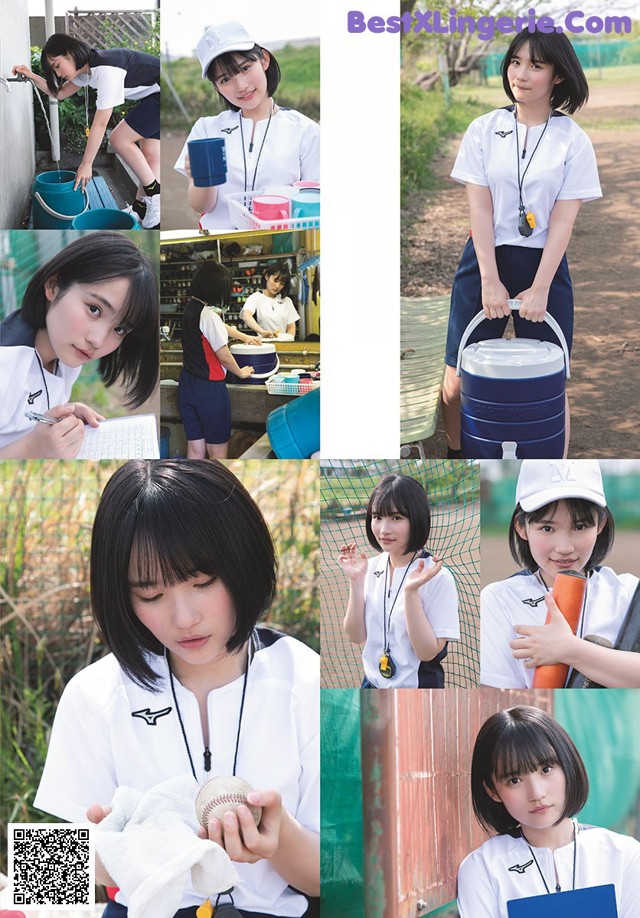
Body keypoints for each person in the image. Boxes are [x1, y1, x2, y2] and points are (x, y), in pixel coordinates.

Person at [33, 459, 320, 918]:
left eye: (202, 582)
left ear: (243, 563)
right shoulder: (94, 693)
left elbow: (341, 877)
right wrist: (113, 857)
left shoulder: (307, 680)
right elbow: (47, 879)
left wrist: (279, 836)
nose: (183, 618)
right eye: (150, 595)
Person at [440, 30, 601, 458]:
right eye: (515, 62)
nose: (521, 74)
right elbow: (479, 211)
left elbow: (564, 221)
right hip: (484, 260)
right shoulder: (484, 129)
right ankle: (458, 454)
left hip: (544, 267)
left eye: (535, 65)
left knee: (550, 382)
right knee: (455, 382)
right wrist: (490, 280)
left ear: (558, 76)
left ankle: (553, 464)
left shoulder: (573, 140)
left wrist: (542, 286)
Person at [457, 705, 640, 917]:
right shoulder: (483, 868)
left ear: (567, 765)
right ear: (492, 791)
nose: (536, 793)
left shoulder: (623, 855)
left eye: (546, 769)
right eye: (514, 780)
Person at [481, 459, 640, 688]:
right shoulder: (499, 598)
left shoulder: (628, 591)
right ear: (521, 526)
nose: (564, 547)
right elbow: (496, 692)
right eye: (547, 528)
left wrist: (570, 650)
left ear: (601, 524)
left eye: (580, 526)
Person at [0, 233, 158, 459]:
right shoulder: (6, 366)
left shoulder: (64, 356)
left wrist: (58, 417)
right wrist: (31, 449)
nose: (98, 340)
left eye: (119, 329)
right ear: (53, 287)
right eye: (94, 309)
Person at [174, 21, 320, 231]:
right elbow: (201, 206)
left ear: (264, 59)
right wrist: (199, 178)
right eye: (225, 79)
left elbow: (313, 207)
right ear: (216, 86)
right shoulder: (206, 129)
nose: (241, 86)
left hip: (280, 248)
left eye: (245, 68)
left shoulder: (306, 132)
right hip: (217, 246)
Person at [13, 34, 161, 228]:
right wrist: (31, 75)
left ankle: (155, 195)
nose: (57, 74)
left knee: (118, 139)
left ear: (70, 53)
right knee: (150, 157)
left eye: (57, 66)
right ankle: (141, 210)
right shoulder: (86, 71)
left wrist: (86, 164)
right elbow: (60, 93)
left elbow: (100, 124)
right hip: (154, 96)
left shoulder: (106, 69)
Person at [338, 473, 460, 688]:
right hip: (372, 684)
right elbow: (356, 636)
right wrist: (356, 582)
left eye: (396, 518)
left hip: (418, 689)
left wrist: (411, 593)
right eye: (377, 517)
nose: (384, 529)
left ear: (417, 518)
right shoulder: (372, 566)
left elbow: (427, 653)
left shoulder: (437, 576)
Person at [178, 260, 259, 460]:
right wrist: (241, 372)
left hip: (187, 386)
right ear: (216, 288)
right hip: (210, 392)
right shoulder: (209, 317)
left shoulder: (191, 309)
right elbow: (223, 355)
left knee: (195, 450)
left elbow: (219, 327)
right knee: (217, 453)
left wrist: (245, 337)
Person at [241, 263, 299, 338]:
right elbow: (246, 316)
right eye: (275, 280)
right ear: (267, 276)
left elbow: (291, 327)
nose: (277, 286)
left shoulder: (287, 301)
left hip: (284, 345)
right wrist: (262, 332)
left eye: (282, 283)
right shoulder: (255, 298)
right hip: (264, 345)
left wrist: (288, 340)